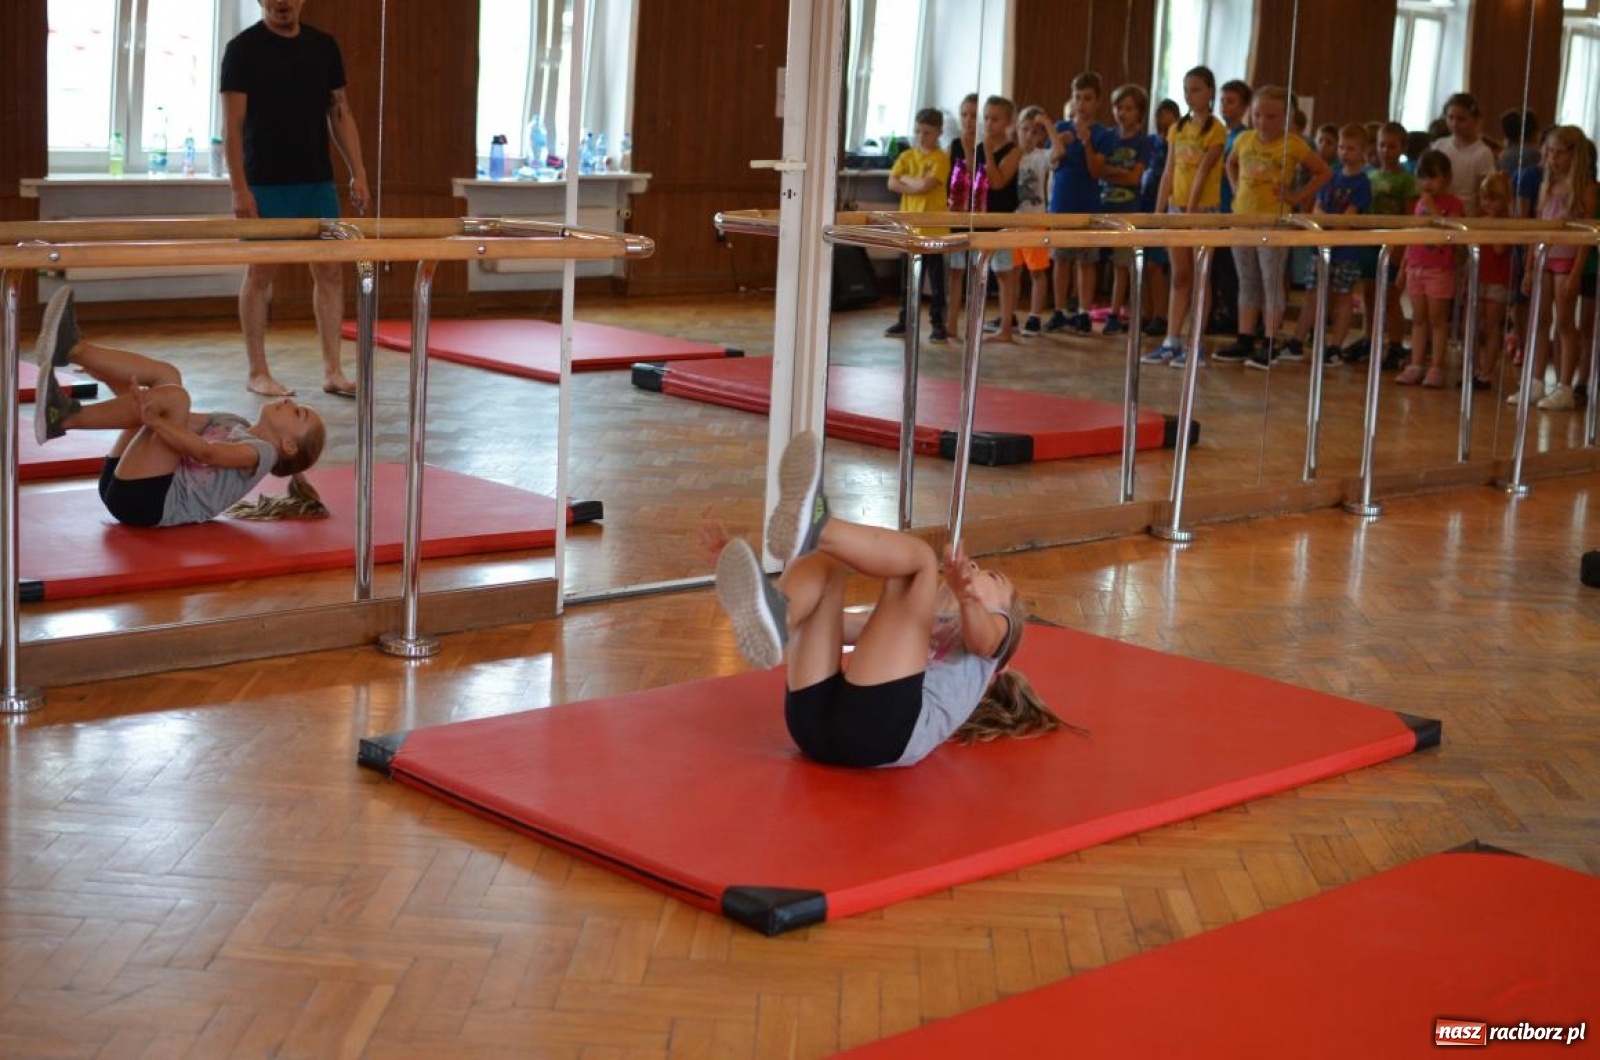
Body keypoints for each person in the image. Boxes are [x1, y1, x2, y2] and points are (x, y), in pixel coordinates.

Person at [708, 431, 1070, 768]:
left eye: (993, 577)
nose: (975, 566)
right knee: (827, 565)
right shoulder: (916, 627)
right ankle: (776, 614)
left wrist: (970, 601)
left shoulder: (992, 643)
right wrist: (744, 580)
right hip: (814, 726)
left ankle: (819, 525)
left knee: (921, 563)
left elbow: (984, 637)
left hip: (883, 733)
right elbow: (838, 627)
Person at [31, 288, 327, 528]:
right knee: (169, 380)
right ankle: (72, 349)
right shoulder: (233, 421)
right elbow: (158, 412)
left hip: (150, 503)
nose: (290, 402)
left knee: (176, 399)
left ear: (287, 444)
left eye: (298, 412)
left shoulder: (261, 453)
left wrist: (157, 423)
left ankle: (64, 418)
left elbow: (206, 452)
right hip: (131, 484)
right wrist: (113, 378)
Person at [222, 0, 370, 399]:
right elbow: (233, 127)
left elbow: (341, 112)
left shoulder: (324, 46)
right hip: (265, 182)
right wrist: (239, 186)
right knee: (260, 274)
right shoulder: (242, 49)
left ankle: (333, 370)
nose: (282, 3)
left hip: (316, 181)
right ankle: (257, 371)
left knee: (330, 272)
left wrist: (358, 171)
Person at [1213, 86, 1329, 371]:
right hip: (1242, 219)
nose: (1263, 122)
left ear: (1287, 117)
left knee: (1271, 281)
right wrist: (1236, 187)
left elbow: (1324, 172)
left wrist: (1295, 197)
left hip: (1273, 223)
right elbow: (1231, 163)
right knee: (1248, 280)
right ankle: (1245, 338)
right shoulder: (1243, 138)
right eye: (1258, 115)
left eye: (1272, 117)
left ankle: (1269, 341)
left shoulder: (1295, 145)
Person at [1143, 66, 1226, 369]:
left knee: (1201, 278)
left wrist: (1190, 211)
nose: (1190, 95)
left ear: (1210, 92)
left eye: (1197, 89)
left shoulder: (1216, 129)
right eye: (1186, 89)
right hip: (1177, 209)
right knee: (1179, 277)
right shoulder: (1178, 128)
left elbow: (1204, 171)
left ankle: (1195, 343)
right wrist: (1159, 211)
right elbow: (1169, 170)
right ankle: (1171, 340)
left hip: (1203, 210)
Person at [1513, 126, 1597, 411]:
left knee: (1564, 323)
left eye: (1559, 152)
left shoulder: (1585, 188)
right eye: (1549, 152)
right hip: (1544, 258)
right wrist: (1528, 267)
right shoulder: (1546, 185)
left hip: (1566, 260)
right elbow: (1537, 229)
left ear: (1574, 154)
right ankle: (1535, 381)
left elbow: (1587, 235)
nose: (1552, 158)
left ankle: (1564, 385)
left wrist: (1576, 272)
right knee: (1539, 321)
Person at [1284, 123, 1372, 365]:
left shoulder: (1362, 183)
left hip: (1346, 251)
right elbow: (1319, 206)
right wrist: (1320, 231)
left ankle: (1334, 347)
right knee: (1312, 293)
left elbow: (1350, 216)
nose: (1345, 153)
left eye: (1351, 148)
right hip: (1321, 245)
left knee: (1343, 298)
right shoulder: (1331, 174)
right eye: (1342, 147)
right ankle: (1297, 341)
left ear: (1363, 151)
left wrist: (1331, 233)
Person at [1045, 72, 1116, 334]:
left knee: (1086, 262)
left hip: (1087, 204)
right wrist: (1056, 147)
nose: (1082, 104)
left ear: (1097, 102)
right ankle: (1060, 310)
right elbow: (1050, 162)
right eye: (1077, 98)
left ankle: (1084, 311)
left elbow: (1096, 171)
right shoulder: (1060, 127)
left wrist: (1086, 143)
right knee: (1061, 260)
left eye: (1087, 98)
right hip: (1061, 203)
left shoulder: (1102, 134)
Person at [1396, 150, 1465, 388]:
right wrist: (1404, 266)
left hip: (1439, 269)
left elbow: (1450, 233)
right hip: (1416, 265)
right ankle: (1416, 364)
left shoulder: (1454, 205)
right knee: (1418, 318)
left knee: (1437, 320)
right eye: (1423, 178)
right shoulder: (1419, 204)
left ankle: (1436, 366)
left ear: (1446, 178)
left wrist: (1432, 209)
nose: (1427, 184)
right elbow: (1413, 236)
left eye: (1433, 178)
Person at [1089, 84, 1152, 336]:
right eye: (1118, 108)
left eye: (1128, 108)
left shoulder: (1142, 142)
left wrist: (1111, 173)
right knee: (1092, 260)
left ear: (1139, 113)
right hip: (1102, 206)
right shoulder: (1107, 137)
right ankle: (1083, 309)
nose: (1122, 113)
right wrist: (1119, 173)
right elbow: (1096, 170)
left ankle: (1115, 313)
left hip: (1128, 209)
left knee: (1121, 264)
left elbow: (1135, 179)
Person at [885, 108, 952, 344]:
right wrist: (914, 183)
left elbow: (926, 186)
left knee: (936, 283)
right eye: (918, 132)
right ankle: (905, 321)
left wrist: (908, 180)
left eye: (927, 132)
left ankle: (938, 325)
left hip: (934, 229)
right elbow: (891, 183)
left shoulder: (940, 158)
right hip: (910, 229)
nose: (921, 137)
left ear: (939, 133)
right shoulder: (906, 157)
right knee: (908, 281)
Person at [1139, 98, 1181, 338]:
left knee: (1157, 266)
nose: (1163, 128)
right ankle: (1146, 312)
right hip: (1146, 202)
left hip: (1165, 205)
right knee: (1144, 264)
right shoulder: (1151, 143)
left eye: (1168, 122)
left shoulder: (1175, 145)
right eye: (1160, 122)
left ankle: (1161, 315)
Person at [1469, 172, 1514, 390]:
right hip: (1479, 276)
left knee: (1492, 325)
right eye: (1485, 198)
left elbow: (1499, 249)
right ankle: (1474, 369)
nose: (1487, 203)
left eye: (1494, 199)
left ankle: (1487, 371)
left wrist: (1490, 226)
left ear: (1505, 200)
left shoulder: (1507, 223)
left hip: (1498, 279)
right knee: (1474, 323)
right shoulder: (1478, 217)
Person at [1013, 105, 1054, 336]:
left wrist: (1048, 124)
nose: (1029, 135)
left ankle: (1035, 316)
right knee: (1013, 270)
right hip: (1013, 219)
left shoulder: (1041, 156)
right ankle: (1009, 314)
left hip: (1035, 219)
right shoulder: (1013, 154)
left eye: (1035, 131)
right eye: (1025, 129)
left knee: (1037, 271)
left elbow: (1058, 151)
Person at [945, 93, 983, 339]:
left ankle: (975, 324)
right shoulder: (953, 145)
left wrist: (972, 149)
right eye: (964, 115)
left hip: (979, 213)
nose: (968, 120)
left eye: (973, 115)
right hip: (958, 213)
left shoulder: (984, 146)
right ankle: (951, 325)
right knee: (956, 271)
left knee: (977, 270)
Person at [1433, 93, 1496, 215]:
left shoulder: (1482, 153)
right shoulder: (1440, 145)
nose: (1454, 124)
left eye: (1461, 119)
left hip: (1467, 215)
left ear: (1476, 119)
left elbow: (1485, 193)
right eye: (1450, 118)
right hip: (1439, 212)